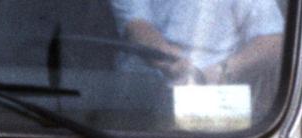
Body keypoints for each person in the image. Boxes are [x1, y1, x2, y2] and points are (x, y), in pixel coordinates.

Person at [111, 0, 286, 85]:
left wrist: (223, 71)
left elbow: (272, 41)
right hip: (136, 93)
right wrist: (165, 55)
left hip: (210, 99)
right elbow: (136, 26)